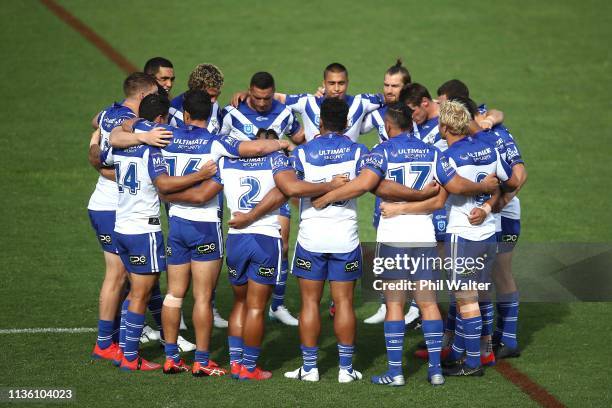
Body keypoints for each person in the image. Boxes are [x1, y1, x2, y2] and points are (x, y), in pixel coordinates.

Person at [312, 102, 499, 385]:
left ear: (388, 126)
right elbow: (450, 190)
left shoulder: (382, 152)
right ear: (411, 123)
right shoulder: (433, 152)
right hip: (423, 239)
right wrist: (484, 189)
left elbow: (364, 184)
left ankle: (396, 372)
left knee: (395, 306)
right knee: (429, 304)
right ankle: (436, 371)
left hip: (394, 239)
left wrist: (326, 197)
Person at [101, 98, 218, 371]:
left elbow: (102, 155)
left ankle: (123, 349)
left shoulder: (122, 145)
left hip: (121, 226)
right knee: (140, 294)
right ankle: (130, 356)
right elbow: (164, 183)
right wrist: (199, 174)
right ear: (162, 121)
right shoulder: (151, 150)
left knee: (135, 290)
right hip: (145, 229)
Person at [277, 97, 368, 383]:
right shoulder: (358, 151)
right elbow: (366, 184)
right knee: (344, 304)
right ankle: (344, 370)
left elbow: (293, 189)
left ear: (319, 122)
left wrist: (322, 192)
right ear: (347, 123)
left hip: (311, 238)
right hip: (346, 238)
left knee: (309, 304)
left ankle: (310, 368)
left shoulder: (303, 153)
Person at [219, 72, 302, 326]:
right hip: (240, 188)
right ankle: (225, 305)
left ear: (273, 92)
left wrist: (291, 151)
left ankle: (276, 305)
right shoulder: (231, 112)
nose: (263, 102)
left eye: (267, 98)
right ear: (248, 91)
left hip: (275, 187)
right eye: (257, 97)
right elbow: (216, 143)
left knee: (283, 245)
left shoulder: (285, 113)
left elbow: (300, 142)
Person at [88, 73, 158, 362]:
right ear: (142, 97)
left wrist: (94, 141)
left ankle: (111, 340)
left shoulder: (110, 112)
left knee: (123, 278)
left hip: (107, 205)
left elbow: (96, 122)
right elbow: (112, 161)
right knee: (118, 277)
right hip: (113, 206)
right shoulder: (126, 123)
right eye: (154, 95)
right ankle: (108, 343)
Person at [168, 63, 225, 136]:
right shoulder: (172, 111)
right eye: (210, 96)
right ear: (196, 89)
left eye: (217, 95)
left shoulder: (215, 106)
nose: (214, 101)